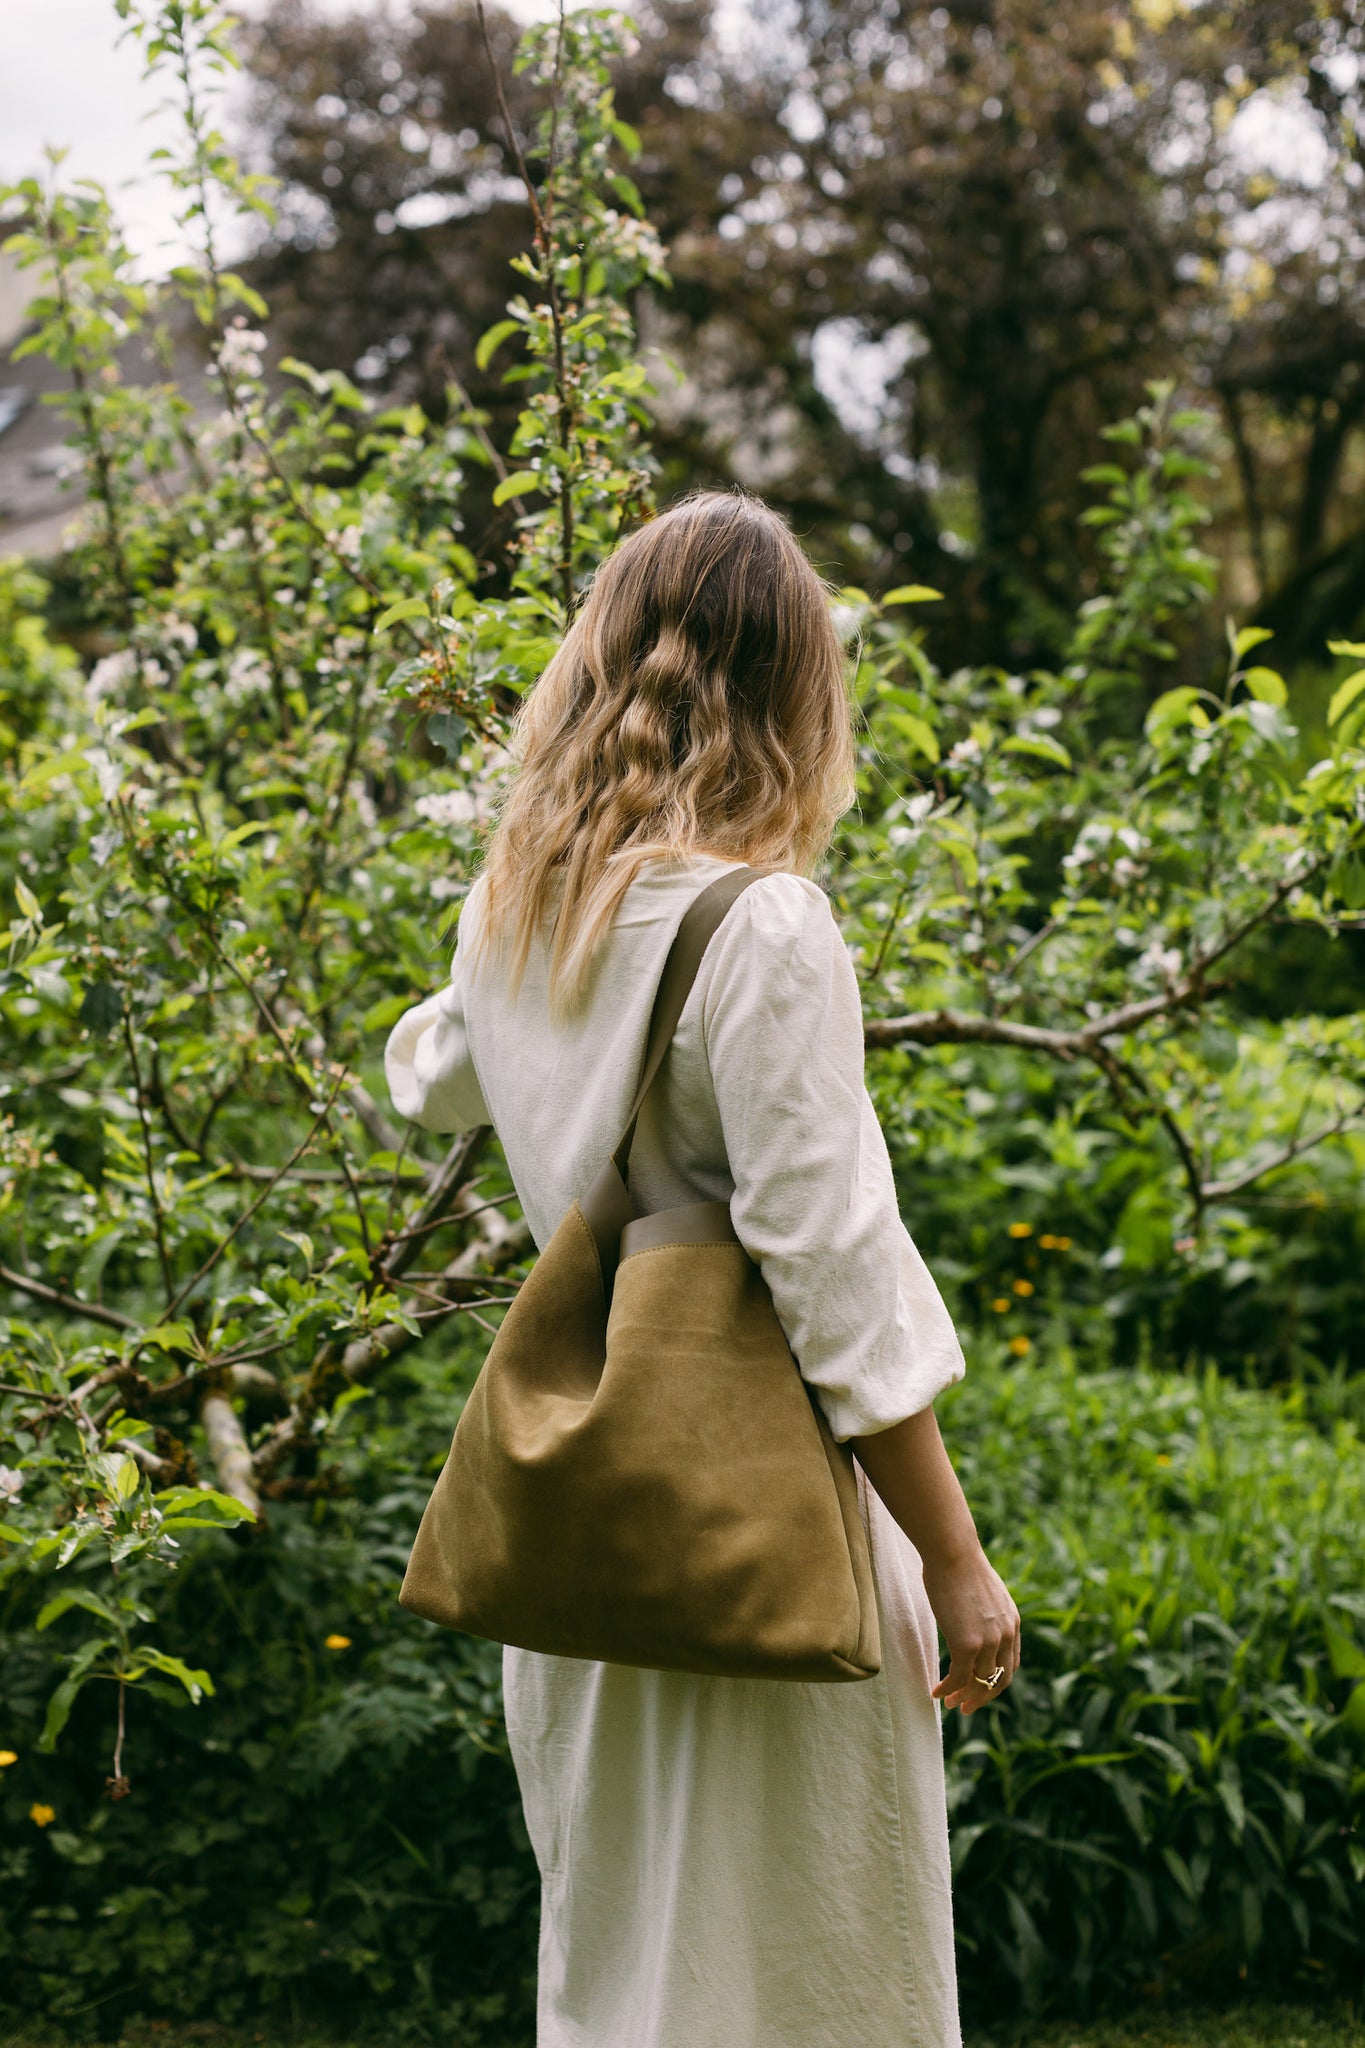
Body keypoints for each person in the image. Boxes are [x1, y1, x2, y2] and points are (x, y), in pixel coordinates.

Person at [384, 488, 1021, 2048]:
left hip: (592, 1536)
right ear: (796, 682)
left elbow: (422, 1080)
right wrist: (952, 1560)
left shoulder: (514, 912)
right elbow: (830, 1271)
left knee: (624, 1974)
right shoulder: (766, 926)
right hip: (769, 1533)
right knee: (808, 1975)